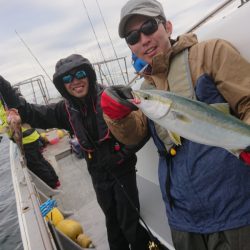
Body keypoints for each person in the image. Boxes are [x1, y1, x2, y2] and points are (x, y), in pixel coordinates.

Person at [100, 0, 250, 249]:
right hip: (182, 218)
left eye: (148, 26)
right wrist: (116, 116)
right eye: (133, 36)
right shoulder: (146, 90)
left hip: (235, 210)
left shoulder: (209, 53)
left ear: (167, 26)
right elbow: (133, 135)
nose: (144, 39)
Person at [0, 55, 151, 250]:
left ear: (89, 75)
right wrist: (2, 86)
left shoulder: (111, 96)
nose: (75, 81)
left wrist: (122, 154)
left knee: (129, 223)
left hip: (122, 169)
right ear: (62, 86)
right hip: (97, 174)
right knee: (112, 224)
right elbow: (29, 112)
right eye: (67, 79)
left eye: (80, 74)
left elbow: (142, 129)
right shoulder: (65, 109)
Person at [0, 87, 60, 189]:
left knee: (35, 164)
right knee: (40, 159)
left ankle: (52, 184)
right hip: (31, 136)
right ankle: (55, 180)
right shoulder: (7, 100)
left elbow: (8, 122)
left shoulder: (8, 101)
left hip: (26, 140)